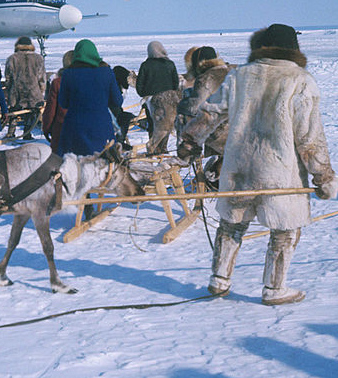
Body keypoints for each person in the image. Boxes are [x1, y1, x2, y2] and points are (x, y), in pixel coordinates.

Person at [198, 24, 337, 305]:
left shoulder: (238, 76)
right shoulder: (299, 79)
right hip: (279, 171)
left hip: (239, 167)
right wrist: (323, 175)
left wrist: (190, 139)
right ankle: (275, 290)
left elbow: (209, 113)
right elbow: (309, 136)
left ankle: (219, 280)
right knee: (285, 229)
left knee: (231, 224)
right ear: (292, 49)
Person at [57, 39, 123, 156]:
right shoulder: (106, 72)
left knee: (73, 167)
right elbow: (117, 101)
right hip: (101, 129)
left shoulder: (68, 74)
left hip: (74, 130)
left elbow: (63, 103)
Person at [176, 46, 235, 164]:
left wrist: (182, 104)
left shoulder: (206, 78)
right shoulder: (234, 71)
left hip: (221, 133)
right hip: (243, 128)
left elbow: (194, 107)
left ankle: (188, 158)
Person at [136, 41, 180, 154]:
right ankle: (163, 148)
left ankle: (153, 148)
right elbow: (176, 83)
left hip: (151, 100)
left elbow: (139, 86)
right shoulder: (170, 64)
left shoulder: (145, 65)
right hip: (168, 99)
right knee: (167, 123)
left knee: (153, 124)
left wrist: (145, 94)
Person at [5, 36, 46, 140]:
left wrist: (9, 90)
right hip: (33, 92)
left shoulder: (12, 58)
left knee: (14, 111)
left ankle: (11, 133)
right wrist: (40, 91)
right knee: (31, 112)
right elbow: (42, 78)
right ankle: (27, 133)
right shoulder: (38, 58)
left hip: (16, 92)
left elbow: (8, 78)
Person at [42, 50, 73, 153]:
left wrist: (46, 128)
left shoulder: (58, 83)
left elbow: (50, 110)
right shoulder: (88, 82)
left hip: (61, 130)